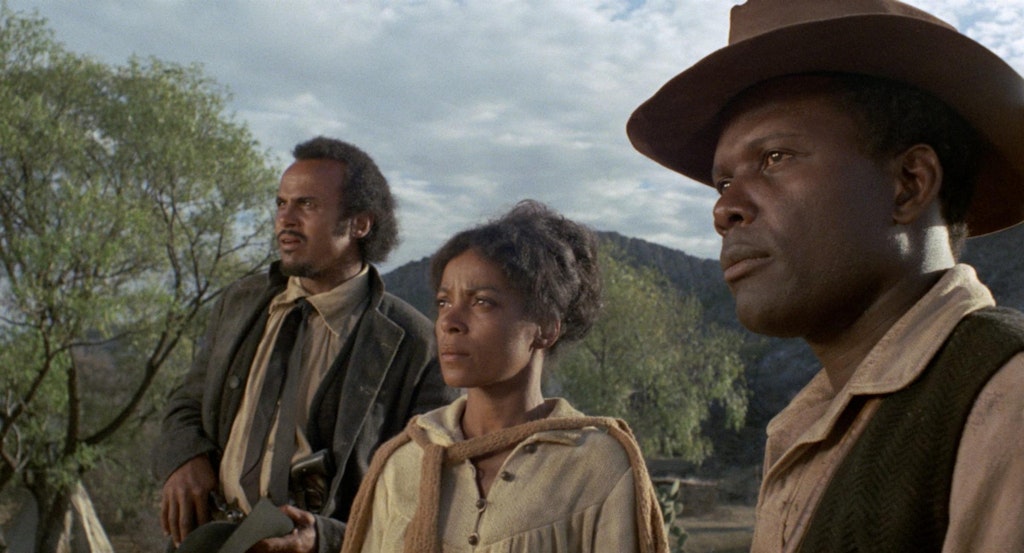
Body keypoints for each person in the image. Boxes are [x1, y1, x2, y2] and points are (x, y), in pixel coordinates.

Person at [627, 1, 1024, 552]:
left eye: (775, 158)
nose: (725, 210)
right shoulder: (808, 425)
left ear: (909, 183)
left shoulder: (1004, 403)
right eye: (723, 184)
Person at [153, 136, 456, 553]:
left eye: (307, 205)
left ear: (360, 224)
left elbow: (425, 494)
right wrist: (185, 458)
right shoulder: (240, 303)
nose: (285, 219)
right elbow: (186, 403)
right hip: (212, 539)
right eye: (281, 203)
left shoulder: (416, 346)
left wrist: (326, 539)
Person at [339, 200, 668, 553]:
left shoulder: (597, 467)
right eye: (444, 302)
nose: (449, 322)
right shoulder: (404, 461)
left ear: (545, 329)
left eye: (482, 302)